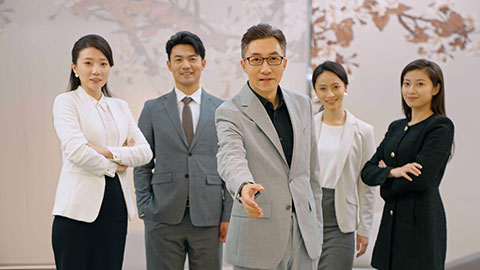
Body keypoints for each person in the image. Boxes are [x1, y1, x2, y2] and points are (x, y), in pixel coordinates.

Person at [215, 23, 323, 270]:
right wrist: (242, 186)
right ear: (244, 65)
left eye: (273, 59)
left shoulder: (303, 105)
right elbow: (230, 156)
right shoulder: (229, 112)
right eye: (256, 60)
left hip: (304, 239)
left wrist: (316, 228)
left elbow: (311, 175)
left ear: (284, 63)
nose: (265, 68)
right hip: (258, 236)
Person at [51, 34, 153, 270]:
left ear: (110, 68)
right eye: (88, 63)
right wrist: (116, 164)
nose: (96, 70)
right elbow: (77, 152)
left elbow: (145, 152)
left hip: (115, 208)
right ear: (75, 68)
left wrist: (104, 151)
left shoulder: (120, 106)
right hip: (76, 211)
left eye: (103, 63)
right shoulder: (66, 102)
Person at [133, 31, 233, 270]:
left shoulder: (223, 110)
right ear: (169, 65)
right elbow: (142, 162)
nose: (185, 65)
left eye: (192, 58)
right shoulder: (152, 109)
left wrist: (228, 214)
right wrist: (145, 207)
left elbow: (230, 164)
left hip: (209, 217)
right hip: (162, 216)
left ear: (203, 63)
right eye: (178, 59)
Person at [361, 59, 454, 270]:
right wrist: (394, 172)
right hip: (391, 226)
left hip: (421, 225)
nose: (411, 90)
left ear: (436, 88)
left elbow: (419, 180)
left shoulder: (440, 126)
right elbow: (367, 171)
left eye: (420, 84)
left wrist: (384, 180)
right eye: (406, 83)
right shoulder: (396, 127)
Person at [312, 61, 376, 269]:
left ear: (345, 87)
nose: (330, 94)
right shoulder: (306, 126)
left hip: (342, 223)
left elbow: (366, 185)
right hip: (308, 217)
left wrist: (364, 230)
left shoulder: (364, 131)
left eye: (335, 86)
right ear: (315, 91)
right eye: (322, 88)